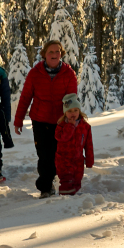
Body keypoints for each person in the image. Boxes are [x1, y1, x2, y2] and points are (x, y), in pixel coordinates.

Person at [15, 40, 78, 198]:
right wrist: (18, 120)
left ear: (61, 54)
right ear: (44, 54)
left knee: (56, 154)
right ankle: (45, 187)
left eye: (57, 52)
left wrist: (72, 120)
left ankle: (56, 180)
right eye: (51, 52)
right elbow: (25, 97)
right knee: (44, 155)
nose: (55, 55)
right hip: (40, 120)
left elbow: (72, 100)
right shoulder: (35, 73)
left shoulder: (68, 74)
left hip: (60, 122)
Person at [55, 93, 94, 196]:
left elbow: (88, 145)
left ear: (79, 111)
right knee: (66, 183)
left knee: (77, 181)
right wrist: (70, 126)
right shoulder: (62, 125)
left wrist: (89, 160)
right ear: (65, 113)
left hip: (78, 161)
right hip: (63, 160)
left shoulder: (85, 127)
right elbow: (61, 137)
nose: (73, 113)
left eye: (75, 110)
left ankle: (74, 201)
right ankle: (63, 203)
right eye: (69, 111)